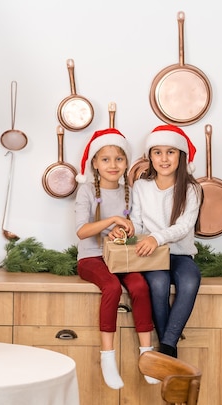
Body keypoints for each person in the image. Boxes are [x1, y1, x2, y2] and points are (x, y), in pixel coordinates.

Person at [75, 128, 157, 390]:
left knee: (139, 286)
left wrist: (126, 231)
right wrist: (111, 221)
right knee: (111, 287)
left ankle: (147, 354)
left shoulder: (130, 192)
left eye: (119, 159)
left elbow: (136, 228)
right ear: (95, 164)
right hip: (92, 258)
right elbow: (81, 231)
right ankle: (107, 357)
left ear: (126, 163)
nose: (113, 165)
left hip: (121, 257)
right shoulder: (86, 191)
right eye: (106, 159)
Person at [128, 124, 202, 358]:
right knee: (158, 285)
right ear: (150, 156)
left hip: (180, 254)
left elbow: (183, 227)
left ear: (181, 156)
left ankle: (167, 348)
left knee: (190, 281)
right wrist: (130, 233)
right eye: (157, 152)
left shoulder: (192, 189)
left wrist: (156, 237)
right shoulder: (141, 186)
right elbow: (138, 223)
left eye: (170, 152)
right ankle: (169, 350)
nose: (164, 158)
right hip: (151, 256)